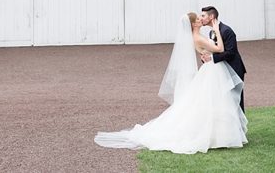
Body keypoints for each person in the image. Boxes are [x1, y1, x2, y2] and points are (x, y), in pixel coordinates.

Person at [94, 13, 247, 154]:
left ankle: (220, 135)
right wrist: (217, 31)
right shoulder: (198, 37)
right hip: (211, 71)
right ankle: (216, 135)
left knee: (211, 102)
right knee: (211, 102)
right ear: (193, 24)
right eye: (198, 19)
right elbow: (219, 48)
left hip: (211, 70)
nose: (201, 20)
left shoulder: (198, 36)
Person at [200, 6, 246, 111]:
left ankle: (239, 126)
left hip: (233, 68)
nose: (201, 18)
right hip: (221, 70)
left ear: (211, 16)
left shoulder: (226, 31)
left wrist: (211, 57)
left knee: (235, 99)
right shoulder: (211, 32)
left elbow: (231, 52)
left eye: (203, 16)